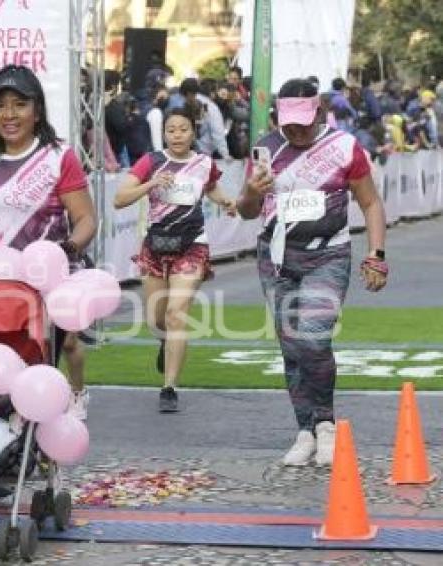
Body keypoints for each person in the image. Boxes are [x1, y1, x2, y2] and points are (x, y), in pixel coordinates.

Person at [237, 78, 388, 466]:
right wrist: (254, 190)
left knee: (314, 339)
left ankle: (326, 425)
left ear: (319, 111)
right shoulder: (266, 149)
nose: (295, 129)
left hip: (328, 255)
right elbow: (247, 210)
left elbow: (370, 203)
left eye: (303, 120)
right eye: (288, 121)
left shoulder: (343, 148)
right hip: (276, 257)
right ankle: (305, 429)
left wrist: (376, 254)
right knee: (291, 347)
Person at [0, 64, 98, 418]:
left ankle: (61, 411)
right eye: (0, 106)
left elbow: (85, 219)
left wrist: (69, 249)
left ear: (37, 110)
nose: (9, 114)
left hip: (46, 283)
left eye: (19, 104)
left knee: (41, 365)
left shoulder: (59, 156)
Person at [114, 107, 237, 413]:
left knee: (175, 313)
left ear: (192, 132)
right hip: (155, 245)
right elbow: (119, 199)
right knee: (156, 319)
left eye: (183, 129)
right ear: (164, 134)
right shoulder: (151, 161)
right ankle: (164, 343)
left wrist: (225, 201)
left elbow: (211, 187)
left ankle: (169, 387)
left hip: (191, 245)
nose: (177, 135)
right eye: (171, 130)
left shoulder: (203, 163)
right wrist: (151, 184)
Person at [176, 78, 232, 162]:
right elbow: (217, 131)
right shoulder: (210, 107)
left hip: (183, 150)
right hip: (201, 151)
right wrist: (225, 154)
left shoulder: (178, 103)